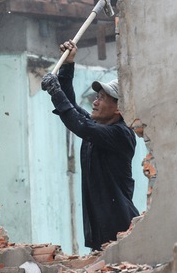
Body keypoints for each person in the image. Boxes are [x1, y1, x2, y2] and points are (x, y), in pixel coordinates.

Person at [41, 40, 140, 251]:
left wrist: (55, 91)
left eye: (102, 98)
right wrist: (68, 65)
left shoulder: (121, 134)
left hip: (121, 227)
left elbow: (79, 124)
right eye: (97, 96)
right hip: (101, 230)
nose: (95, 102)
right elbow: (73, 109)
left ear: (119, 109)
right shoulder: (97, 127)